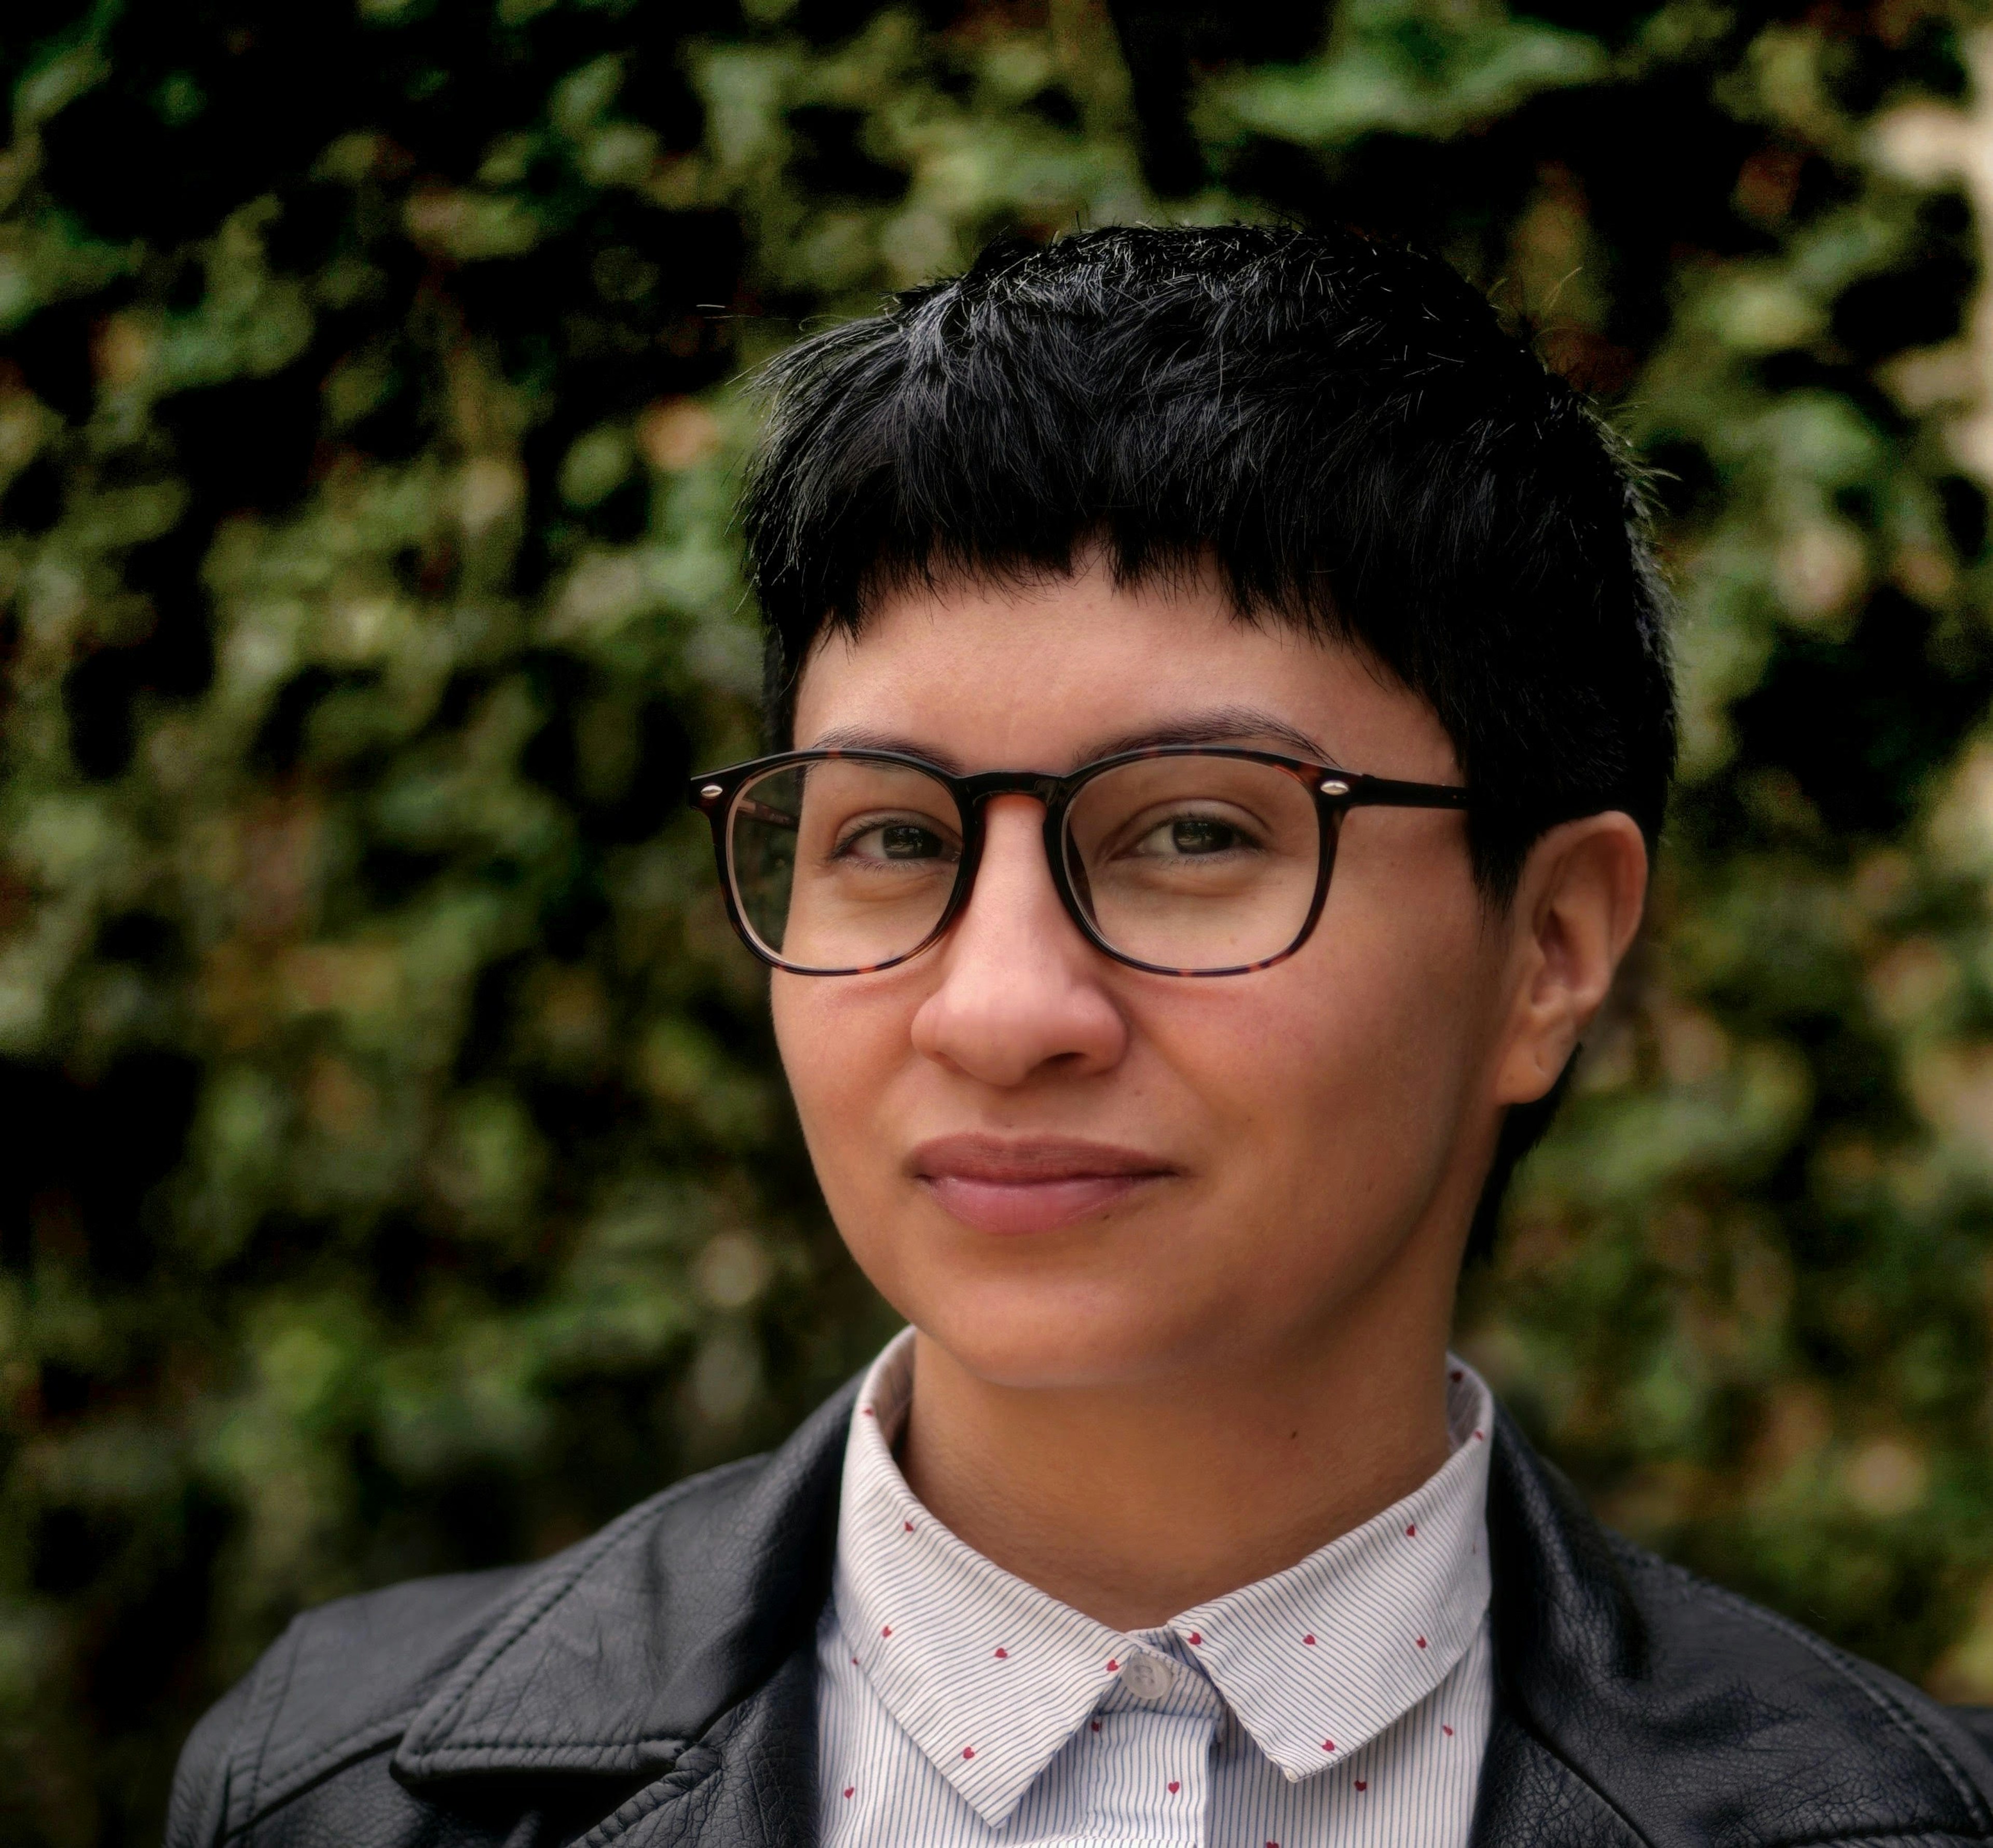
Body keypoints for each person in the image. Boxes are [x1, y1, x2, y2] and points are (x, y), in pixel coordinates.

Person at [166, 224, 1993, 1848]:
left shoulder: (1897, 1816)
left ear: (1552, 949)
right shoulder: (343, 1785)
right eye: (889, 837)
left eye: (1197, 831)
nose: (1001, 1009)